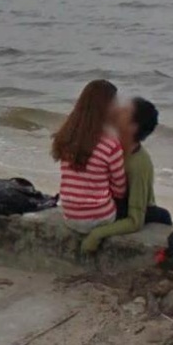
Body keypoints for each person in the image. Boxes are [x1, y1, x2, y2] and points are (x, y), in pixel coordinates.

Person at [81, 96, 172, 253]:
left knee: (163, 215)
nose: (118, 110)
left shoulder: (139, 164)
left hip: (132, 208)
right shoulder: (107, 146)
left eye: (124, 111)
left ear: (133, 127)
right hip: (111, 204)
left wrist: (96, 234)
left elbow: (135, 220)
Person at [52, 79, 127, 233]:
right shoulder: (111, 144)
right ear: (106, 108)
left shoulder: (67, 136)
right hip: (100, 217)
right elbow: (120, 189)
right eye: (115, 103)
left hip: (70, 216)